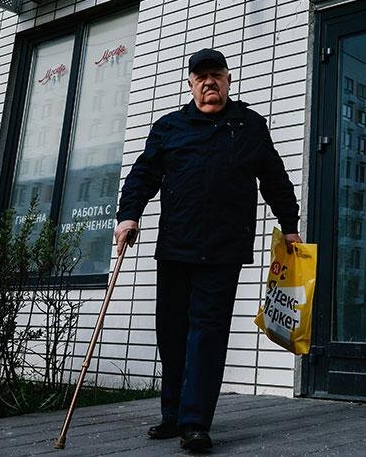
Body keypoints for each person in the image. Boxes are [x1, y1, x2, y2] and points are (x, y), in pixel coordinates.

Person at [114, 48, 301, 452]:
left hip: (224, 249)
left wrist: (290, 226)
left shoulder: (249, 125)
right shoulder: (170, 127)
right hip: (175, 247)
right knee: (172, 333)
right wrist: (128, 216)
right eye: (201, 77)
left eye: (216, 75)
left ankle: (195, 422)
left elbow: (274, 177)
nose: (209, 83)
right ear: (191, 85)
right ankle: (173, 414)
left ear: (228, 80)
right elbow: (143, 174)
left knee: (207, 334)